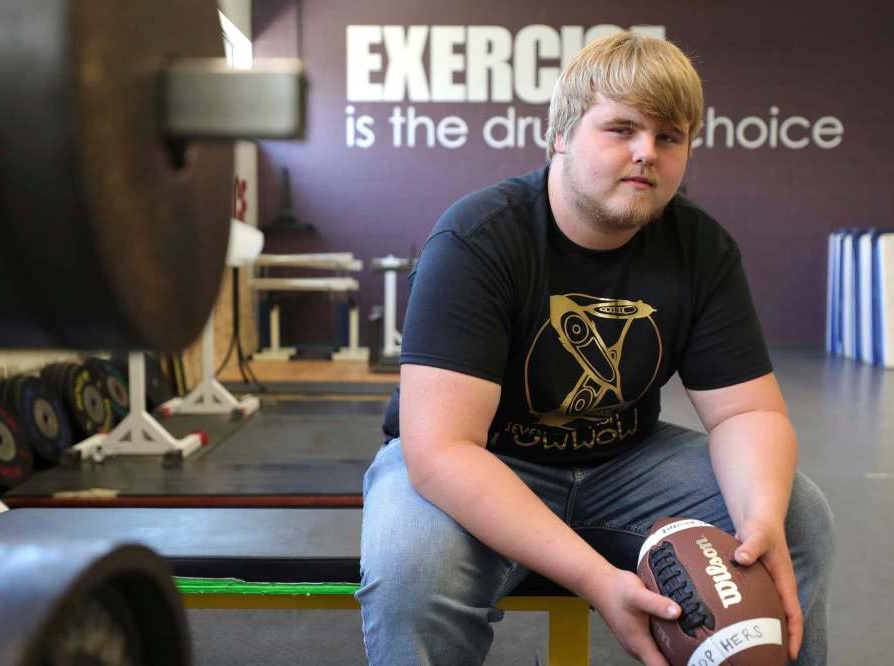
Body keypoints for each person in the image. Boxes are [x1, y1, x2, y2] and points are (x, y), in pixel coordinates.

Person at [356, 31, 834, 666]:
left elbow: (747, 413)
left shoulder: (701, 248)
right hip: (479, 460)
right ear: (562, 135)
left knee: (796, 512)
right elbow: (441, 453)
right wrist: (594, 577)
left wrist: (760, 516)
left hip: (625, 463)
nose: (647, 154)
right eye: (622, 129)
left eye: (669, 137)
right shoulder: (477, 240)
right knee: (414, 571)